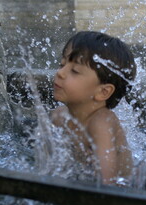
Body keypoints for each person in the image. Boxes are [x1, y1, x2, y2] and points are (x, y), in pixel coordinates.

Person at [50, 31, 136, 186]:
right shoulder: (58, 116)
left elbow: (106, 186)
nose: (60, 73)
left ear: (103, 92)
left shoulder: (101, 123)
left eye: (74, 71)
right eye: (62, 64)